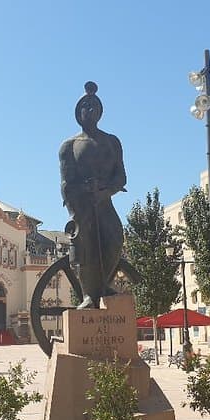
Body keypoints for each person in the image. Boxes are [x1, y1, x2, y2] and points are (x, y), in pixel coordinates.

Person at [59, 81, 127, 309]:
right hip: (82, 205)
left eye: (94, 106)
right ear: (78, 113)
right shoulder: (69, 146)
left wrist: (105, 191)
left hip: (104, 201)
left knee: (115, 239)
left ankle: (102, 286)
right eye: (85, 106)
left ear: (100, 111)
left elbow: (121, 177)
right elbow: (66, 183)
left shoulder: (112, 142)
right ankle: (89, 293)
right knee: (83, 245)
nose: (90, 110)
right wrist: (77, 206)